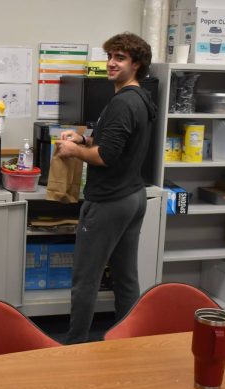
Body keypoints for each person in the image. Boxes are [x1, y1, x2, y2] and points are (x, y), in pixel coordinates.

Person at [54, 32, 157, 344]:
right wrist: (83, 139)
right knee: (126, 277)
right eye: (110, 56)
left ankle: (75, 344)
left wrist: (75, 151)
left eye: (120, 58)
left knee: (85, 279)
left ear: (136, 64)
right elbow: (115, 143)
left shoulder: (123, 104)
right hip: (133, 196)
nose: (112, 63)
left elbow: (105, 156)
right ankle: (128, 340)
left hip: (110, 201)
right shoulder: (140, 98)